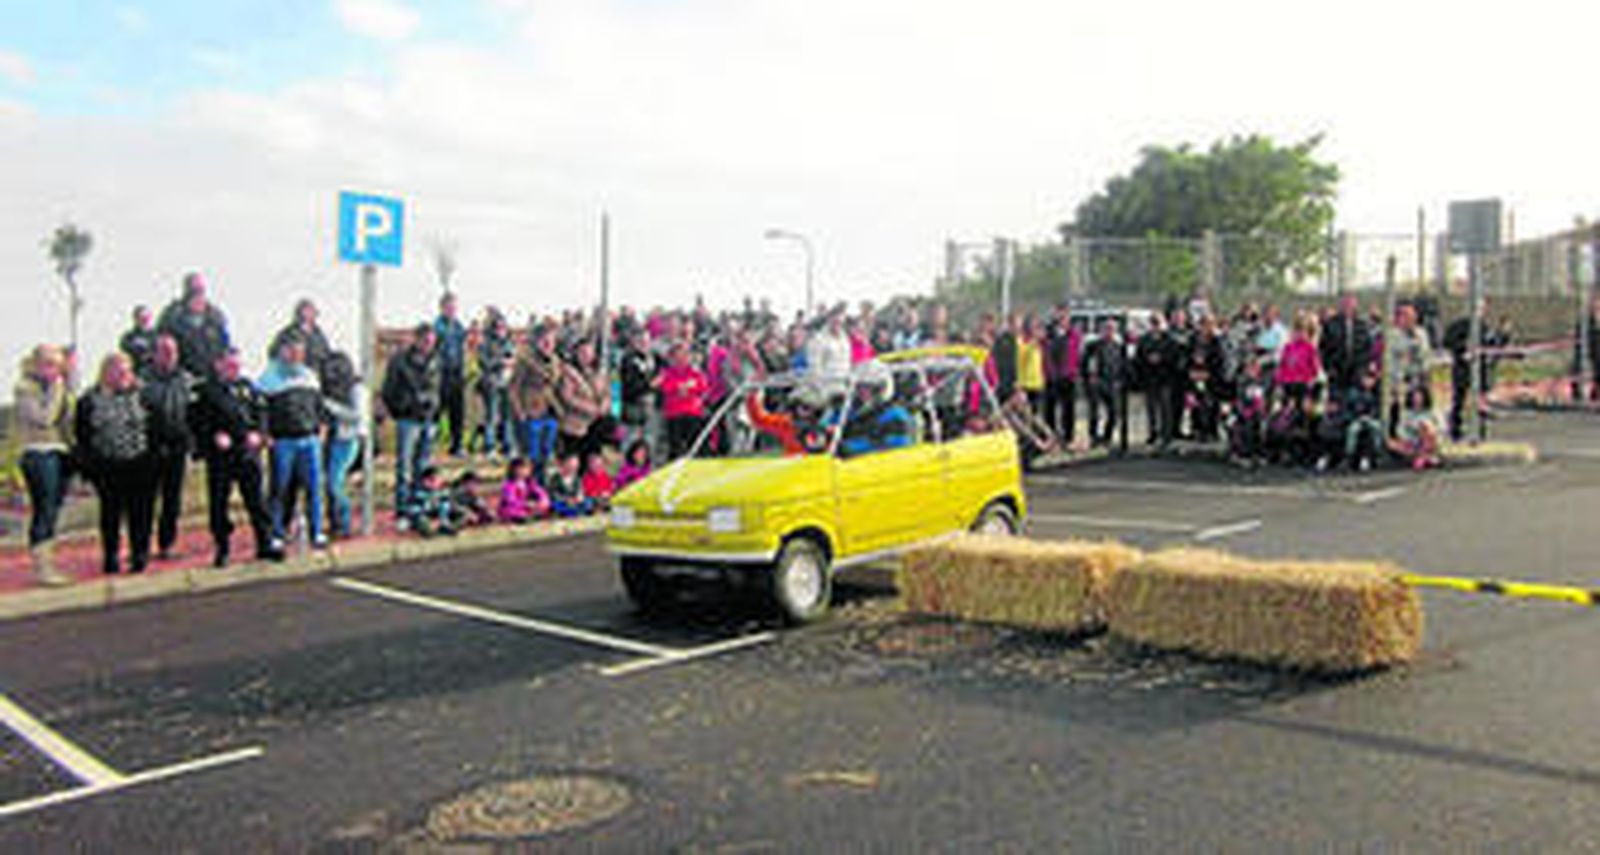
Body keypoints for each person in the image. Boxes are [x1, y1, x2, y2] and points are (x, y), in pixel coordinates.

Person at [190, 348, 282, 567]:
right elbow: (195, 422)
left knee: (257, 502)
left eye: (237, 366)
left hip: (247, 453)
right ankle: (222, 548)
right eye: (230, 366)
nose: (235, 370)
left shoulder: (247, 387)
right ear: (218, 365)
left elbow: (261, 413)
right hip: (221, 457)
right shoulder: (204, 390)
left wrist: (259, 433)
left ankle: (265, 543)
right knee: (219, 505)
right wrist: (213, 436)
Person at [74, 353, 156, 575]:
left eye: (127, 371)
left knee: (141, 513)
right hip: (108, 465)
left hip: (140, 463)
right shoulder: (89, 400)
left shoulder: (144, 395)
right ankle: (111, 556)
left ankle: (140, 554)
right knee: (111, 515)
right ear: (105, 373)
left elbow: (157, 427)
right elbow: (83, 436)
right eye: (118, 371)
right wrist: (90, 466)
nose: (123, 376)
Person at [14, 344, 73, 586]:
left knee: (54, 508)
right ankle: (42, 567)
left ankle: (49, 559)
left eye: (57, 364)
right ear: (36, 364)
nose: (54, 369)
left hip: (58, 450)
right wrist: (58, 389)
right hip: (37, 452)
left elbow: (66, 420)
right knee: (44, 508)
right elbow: (44, 418)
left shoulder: (60, 388)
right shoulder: (25, 389)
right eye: (48, 364)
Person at [259, 336, 326, 550]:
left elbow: (318, 405)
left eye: (300, 351)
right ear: (282, 351)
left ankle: (317, 531)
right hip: (283, 440)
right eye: (292, 351)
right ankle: (277, 532)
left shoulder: (310, 376)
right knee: (279, 488)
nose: (297, 355)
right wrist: (265, 434)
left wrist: (321, 427)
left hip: (309, 439)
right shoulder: (269, 378)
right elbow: (261, 411)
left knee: (314, 488)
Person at [139, 334, 194, 561]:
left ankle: (167, 544)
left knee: (173, 499)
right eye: (164, 350)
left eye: (173, 350)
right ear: (154, 354)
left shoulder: (186, 379)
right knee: (145, 500)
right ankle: (140, 546)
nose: (170, 355)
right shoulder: (142, 381)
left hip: (178, 446)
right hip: (150, 447)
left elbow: (193, 413)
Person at [382, 323, 441, 520]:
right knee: (404, 467)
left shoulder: (435, 360)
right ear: (416, 339)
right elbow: (388, 390)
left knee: (423, 466)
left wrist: (435, 410)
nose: (429, 345)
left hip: (429, 419)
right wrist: (400, 410)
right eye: (425, 341)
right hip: (408, 419)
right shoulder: (400, 361)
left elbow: (437, 387)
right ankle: (402, 509)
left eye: (432, 342)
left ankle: (419, 505)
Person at [320, 351, 366, 539]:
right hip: (331, 438)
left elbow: (357, 415)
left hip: (347, 439)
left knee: (334, 483)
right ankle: (335, 523)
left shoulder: (356, 389)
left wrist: (330, 406)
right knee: (330, 483)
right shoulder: (329, 388)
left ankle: (344, 523)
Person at [508, 324, 562, 480]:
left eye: (551, 341)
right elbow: (513, 388)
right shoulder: (525, 360)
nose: (548, 344)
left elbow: (555, 384)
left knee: (546, 453)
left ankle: (541, 484)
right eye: (544, 341)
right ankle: (528, 485)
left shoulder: (555, 360)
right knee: (531, 454)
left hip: (549, 410)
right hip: (530, 410)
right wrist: (520, 412)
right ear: (537, 341)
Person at [157, 272, 231, 380]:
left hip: (212, 377)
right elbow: (162, 346)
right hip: (181, 379)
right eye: (194, 290)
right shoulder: (171, 315)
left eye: (201, 290)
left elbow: (225, 346)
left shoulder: (215, 316)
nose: (198, 294)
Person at [556, 338, 609, 468]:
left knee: (593, 459)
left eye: (589, 353)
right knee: (573, 461)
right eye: (583, 353)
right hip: (575, 424)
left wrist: (604, 406)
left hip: (595, 423)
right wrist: (590, 408)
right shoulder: (569, 373)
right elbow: (567, 397)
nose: (586, 356)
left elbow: (606, 393)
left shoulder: (598, 372)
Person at [475, 309, 517, 459]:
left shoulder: (510, 343)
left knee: (508, 417)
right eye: (498, 327)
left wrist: (511, 362)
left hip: (507, 384)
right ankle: (489, 446)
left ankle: (508, 446)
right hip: (492, 383)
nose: (501, 330)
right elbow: (482, 362)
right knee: (491, 417)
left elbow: (514, 359)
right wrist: (500, 361)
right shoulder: (485, 343)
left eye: (503, 327)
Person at [658, 341, 710, 459]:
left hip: (692, 412)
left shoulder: (694, 371)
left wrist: (686, 388)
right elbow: (665, 386)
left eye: (685, 355)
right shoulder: (668, 372)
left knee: (695, 446)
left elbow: (702, 386)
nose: (681, 358)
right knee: (675, 447)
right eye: (678, 355)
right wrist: (681, 387)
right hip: (674, 413)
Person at [434, 293, 470, 457]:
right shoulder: (438, 326)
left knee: (458, 411)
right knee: (438, 410)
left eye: (454, 308)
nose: (451, 310)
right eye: (448, 307)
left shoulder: (458, 326)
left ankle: (457, 445)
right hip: (442, 373)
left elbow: (463, 348)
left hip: (457, 372)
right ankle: (430, 444)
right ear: (442, 308)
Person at [1320, 294, 1373, 400]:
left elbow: (1367, 348)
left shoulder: (1362, 325)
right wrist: (1328, 368)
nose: (1348, 307)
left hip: (1356, 372)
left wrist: (1364, 369)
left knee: (1354, 400)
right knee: (1337, 402)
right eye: (1346, 303)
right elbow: (1323, 348)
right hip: (1337, 371)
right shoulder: (1331, 324)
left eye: (1351, 304)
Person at [1083, 319, 1124, 447]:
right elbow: (1086, 363)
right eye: (1107, 329)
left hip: (1112, 383)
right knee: (1094, 413)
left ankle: (1107, 437)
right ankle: (1093, 437)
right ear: (1102, 330)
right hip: (1096, 382)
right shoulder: (1093, 345)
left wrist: (1120, 380)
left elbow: (1122, 365)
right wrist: (1089, 377)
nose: (1109, 332)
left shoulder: (1118, 346)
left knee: (1114, 412)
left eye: (1112, 329)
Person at [1045, 307, 1081, 448]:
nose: (1061, 320)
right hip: (1052, 376)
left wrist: (1074, 371)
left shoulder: (1074, 335)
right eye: (1058, 317)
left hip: (1068, 376)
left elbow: (1076, 355)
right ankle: (1051, 436)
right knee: (1050, 409)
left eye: (1064, 317)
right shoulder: (1048, 334)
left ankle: (1068, 437)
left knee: (1068, 408)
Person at [618, 328, 657, 455]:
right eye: (640, 341)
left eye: (646, 341)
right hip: (633, 405)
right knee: (630, 439)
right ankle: (627, 468)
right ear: (634, 342)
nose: (644, 344)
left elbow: (664, 373)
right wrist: (649, 385)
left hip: (651, 406)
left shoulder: (654, 357)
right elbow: (629, 385)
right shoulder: (628, 359)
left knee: (649, 439)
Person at [269, 299, 332, 377]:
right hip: (292, 376)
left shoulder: (318, 334)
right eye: (306, 313)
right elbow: (273, 352)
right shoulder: (288, 333)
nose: (309, 316)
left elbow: (327, 353)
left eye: (312, 313)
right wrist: (282, 354)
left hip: (315, 375)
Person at [1389, 387, 1441, 471]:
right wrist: (1408, 438)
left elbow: (1442, 427)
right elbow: (1400, 429)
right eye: (1415, 397)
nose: (1417, 400)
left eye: (1420, 397)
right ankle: (1426, 457)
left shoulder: (1432, 411)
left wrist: (1431, 430)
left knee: (1425, 426)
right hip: (1412, 441)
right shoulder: (1406, 413)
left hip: (1430, 440)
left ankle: (1422, 457)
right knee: (1391, 444)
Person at [407, 466, 459, 537]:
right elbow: (415, 511)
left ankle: (445, 528)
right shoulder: (418, 494)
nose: (434, 483)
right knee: (422, 523)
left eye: (437, 479)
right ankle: (432, 531)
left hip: (439, 517)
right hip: (424, 517)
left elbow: (445, 508)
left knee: (462, 513)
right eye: (431, 480)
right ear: (424, 481)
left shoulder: (443, 492)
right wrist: (430, 521)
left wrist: (440, 520)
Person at [497, 457, 550, 523]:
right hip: (513, 508)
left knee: (542, 508)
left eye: (526, 468)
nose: (524, 471)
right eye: (521, 468)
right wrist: (525, 504)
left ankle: (531, 516)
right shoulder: (509, 485)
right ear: (513, 470)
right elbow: (511, 500)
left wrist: (542, 502)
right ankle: (521, 518)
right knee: (512, 511)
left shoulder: (530, 483)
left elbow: (541, 493)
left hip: (527, 508)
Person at [547, 453, 594, 517]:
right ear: (566, 464)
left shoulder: (576, 478)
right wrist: (566, 499)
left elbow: (580, 492)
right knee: (555, 505)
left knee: (588, 501)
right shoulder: (556, 478)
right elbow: (553, 494)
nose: (575, 467)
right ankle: (572, 512)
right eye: (572, 465)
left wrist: (579, 497)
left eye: (576, 465)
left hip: (575, 502)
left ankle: (577, 511)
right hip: (563, 503)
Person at [119, 305, 158, 376]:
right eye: (142, 318)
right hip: (137, 372)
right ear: (136, 319)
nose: (145, 320)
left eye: (147, 317)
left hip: (155, 374)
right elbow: (125, 352)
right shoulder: (129, 337)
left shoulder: (158, 335)